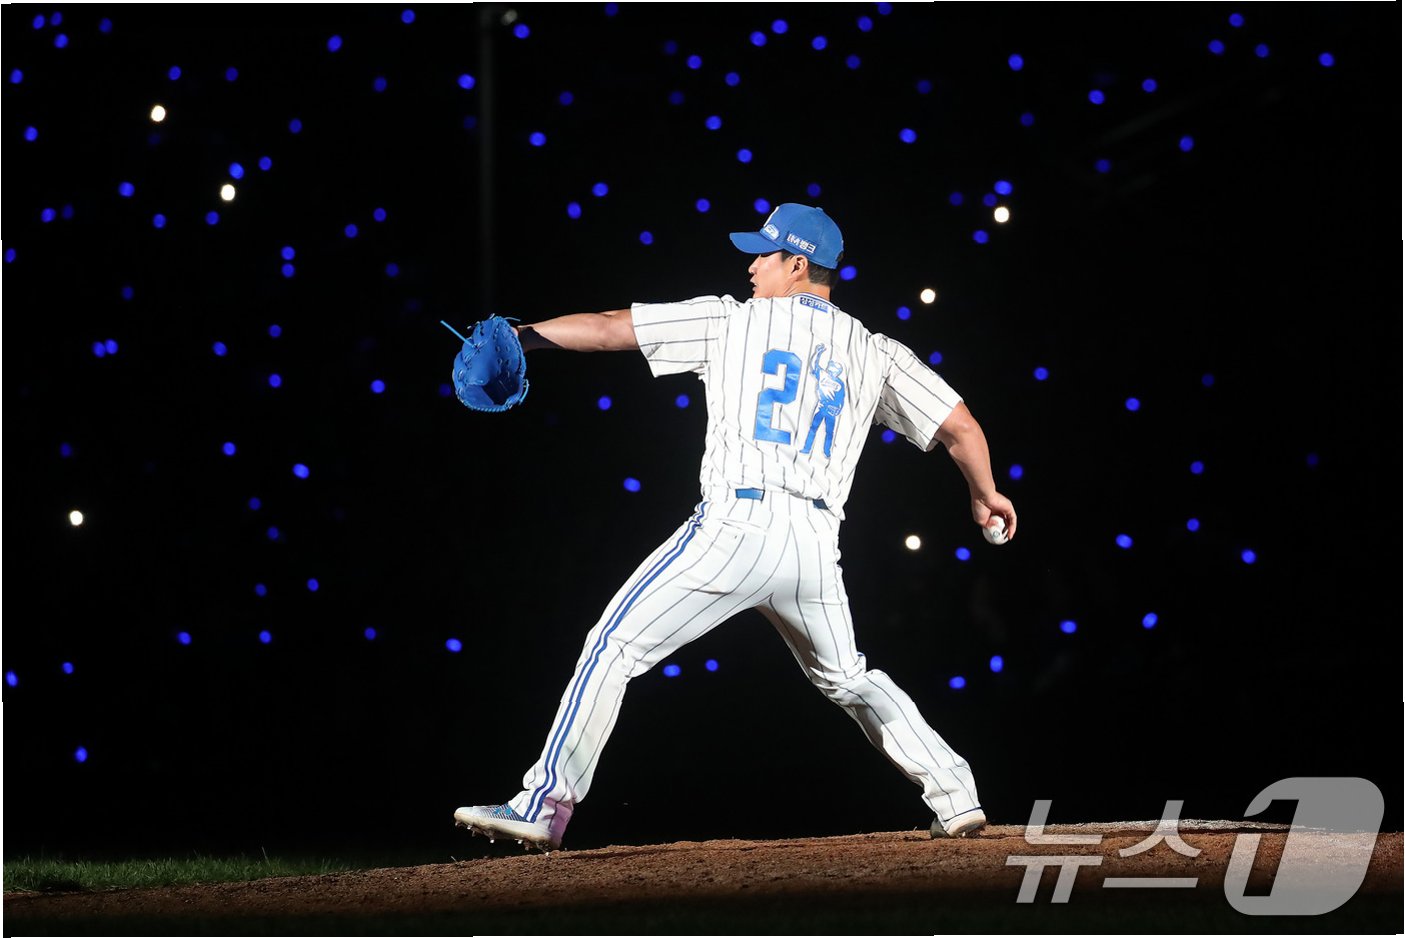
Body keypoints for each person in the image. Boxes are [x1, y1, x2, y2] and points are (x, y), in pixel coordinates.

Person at [454, 203, 1017, 852]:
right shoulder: (875, 351)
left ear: (798, 264)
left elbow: (610, 328)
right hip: (814, 546)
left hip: (735, 528)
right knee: (848, 678)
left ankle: (542, 805)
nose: (751, 266)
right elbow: (961, 427)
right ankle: (956, 795)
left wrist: (525, 335)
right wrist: (985, 494)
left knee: (612, 647)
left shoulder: (732, 320)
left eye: (763, 254)